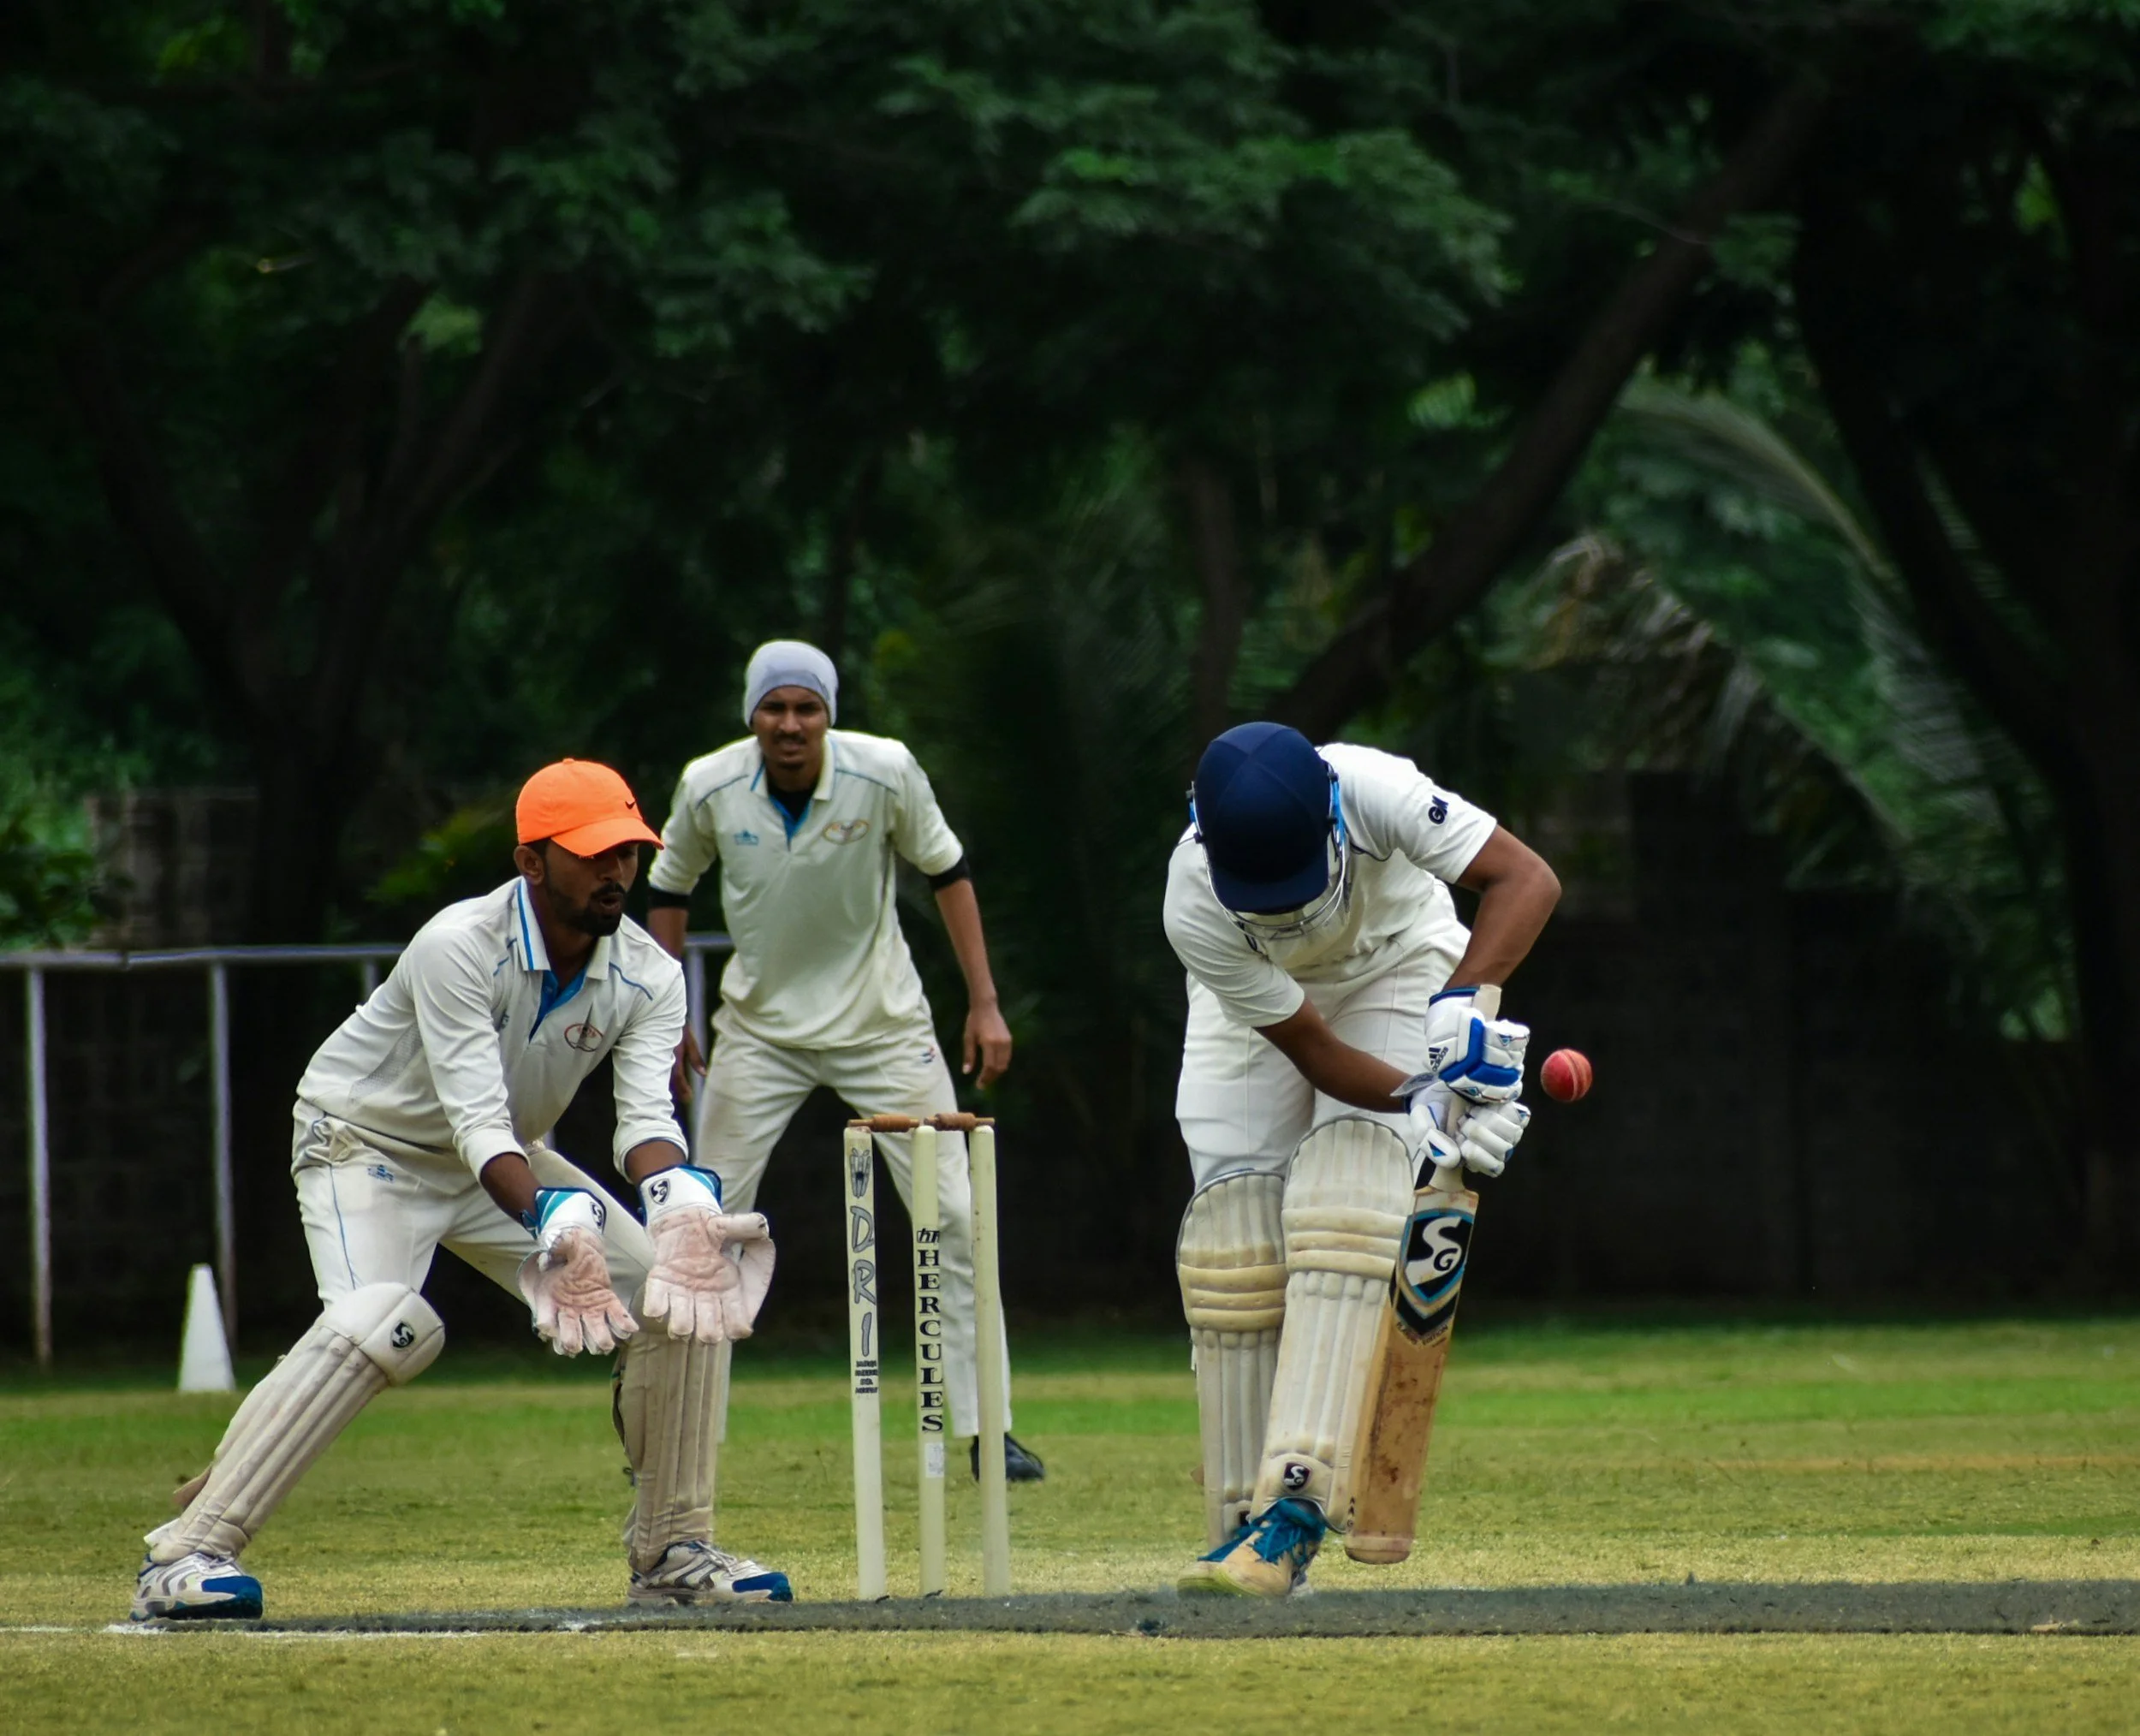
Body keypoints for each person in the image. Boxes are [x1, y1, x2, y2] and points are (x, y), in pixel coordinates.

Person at [131, 760, 788, 1621]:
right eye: (591, 854)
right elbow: (473, 1118)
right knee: (385, 1322)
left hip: (504, 1157)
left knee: (685, 1298)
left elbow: (644, 1122)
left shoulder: (649, 972)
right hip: (365, 1143)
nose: (615, 871)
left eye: (627, 852)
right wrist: (551, 1216)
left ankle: (672, 1549)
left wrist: (683, 1204)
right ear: (530, 863)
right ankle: (185, 1556)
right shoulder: (457, 945)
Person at [1166, 722, 1560, 1596]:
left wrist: (1464, 1005)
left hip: (1396, 965)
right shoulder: (1193, 902)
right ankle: (1238, 1526)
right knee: (1230, 1238)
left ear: (1331, 816)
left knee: (1347, 1197)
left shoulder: (1372, 788)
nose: (1282, 904)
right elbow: (1310, 1048)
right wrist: (1426, 1099)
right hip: (1261, 1013)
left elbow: (1524, 878)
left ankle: (1296, 1507)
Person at [645, 639, 1043, 1483]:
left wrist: (983, 1001)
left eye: (806, 708)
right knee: (698, 1225)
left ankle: (986, 1429)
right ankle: (673, 1431)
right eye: (774, 708)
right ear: (751, 716)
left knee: (957, 1216)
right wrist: (667, 1012)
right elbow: (668, 890)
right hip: (758, 1031)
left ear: (829, 715)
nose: (789, 725)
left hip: (883, 1023)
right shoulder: (707, 784)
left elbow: (948, 870)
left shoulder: (884, 770)